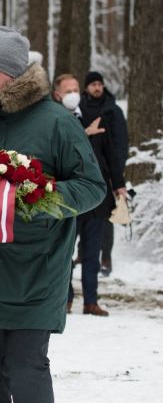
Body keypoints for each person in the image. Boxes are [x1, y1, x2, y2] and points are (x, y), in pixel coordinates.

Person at [0, 26, 105, 403]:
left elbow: (92, 185)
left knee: (25, 369)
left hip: (33, 272)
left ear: (12, 74)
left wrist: (39, 196)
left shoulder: (56, 122)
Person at [53, 74, 126, 316]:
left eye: (75, 89)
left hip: (97, 197)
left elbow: (111, 156)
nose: (73, 94)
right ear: (57, 94)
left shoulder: (97, 116)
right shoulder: (55, 120)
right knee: (65, 252)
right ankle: (66, 299)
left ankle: (91, 301)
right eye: (69, 90)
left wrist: (119, 185)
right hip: (68, 197)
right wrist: (84, 133)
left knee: (92, 251)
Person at [80, 71, 129, 276]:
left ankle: (105, 255)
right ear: (87, 88)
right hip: (85, 170)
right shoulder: (79, 109)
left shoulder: (113, 111)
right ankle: (83, 252)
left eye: (100, 84)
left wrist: (115, 172)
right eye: (93, 84)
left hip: (108, 171)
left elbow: (120, 141)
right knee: (85, 213)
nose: (97, 87)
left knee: (105, 216)